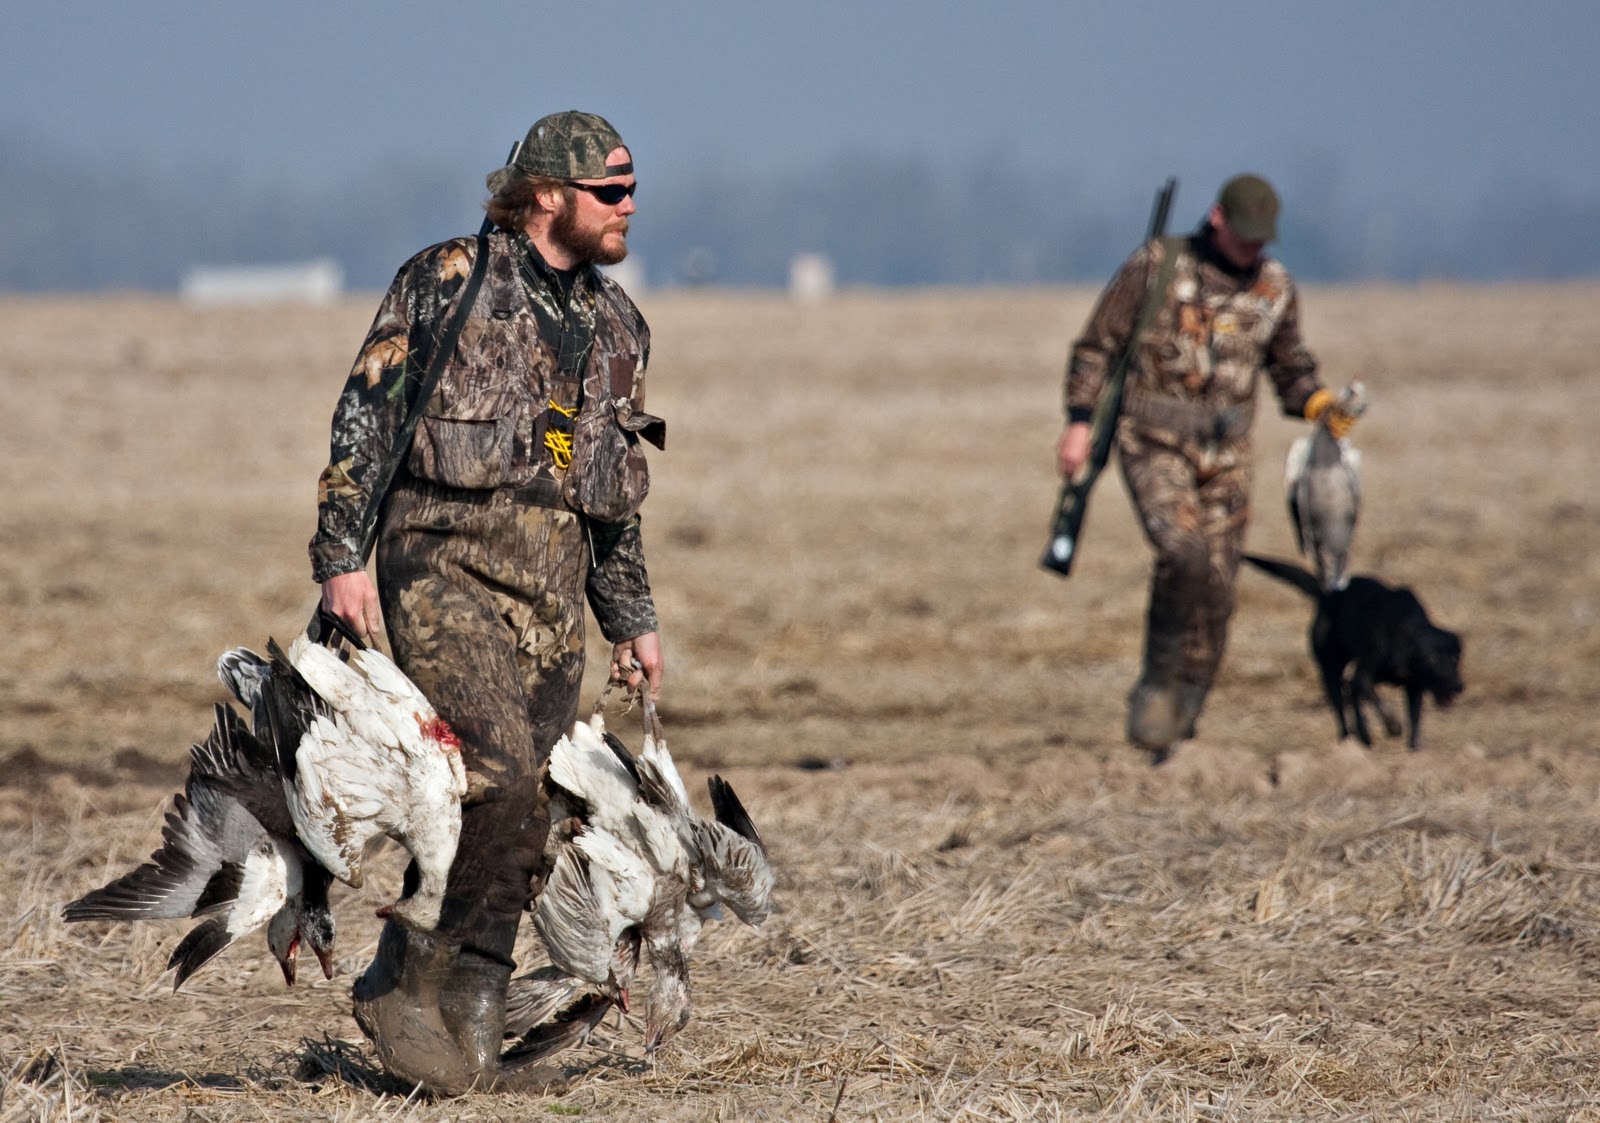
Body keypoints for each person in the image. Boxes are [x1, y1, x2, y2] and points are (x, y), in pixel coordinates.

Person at [308, 110, 666, 1093]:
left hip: (551, 589)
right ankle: (401, 975)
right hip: (440, 562)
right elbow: (365, 417)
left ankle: (472, 1023)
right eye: (611, 190)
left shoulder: (617, 325)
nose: (629, 204)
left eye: (632, 187)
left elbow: (616, 497)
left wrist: (631, 619)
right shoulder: (445, 280)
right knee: (496, 772)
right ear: (547, 192)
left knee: (540, 804)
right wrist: (342, 558)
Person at [1056, 173, 1358, 761]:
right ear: (1217, 220)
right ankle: (1158, 688)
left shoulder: (1275, 287)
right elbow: (1097, 345)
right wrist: (1078, 420)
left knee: (1219, 586)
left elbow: (1289, 366)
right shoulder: (1158, 265)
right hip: (1153, 440)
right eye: (1244, 237)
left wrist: (1318, 401)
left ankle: (1184, 721)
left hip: (1228, 455)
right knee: (1183, 552)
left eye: (1261, 240)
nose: (1253, 250)